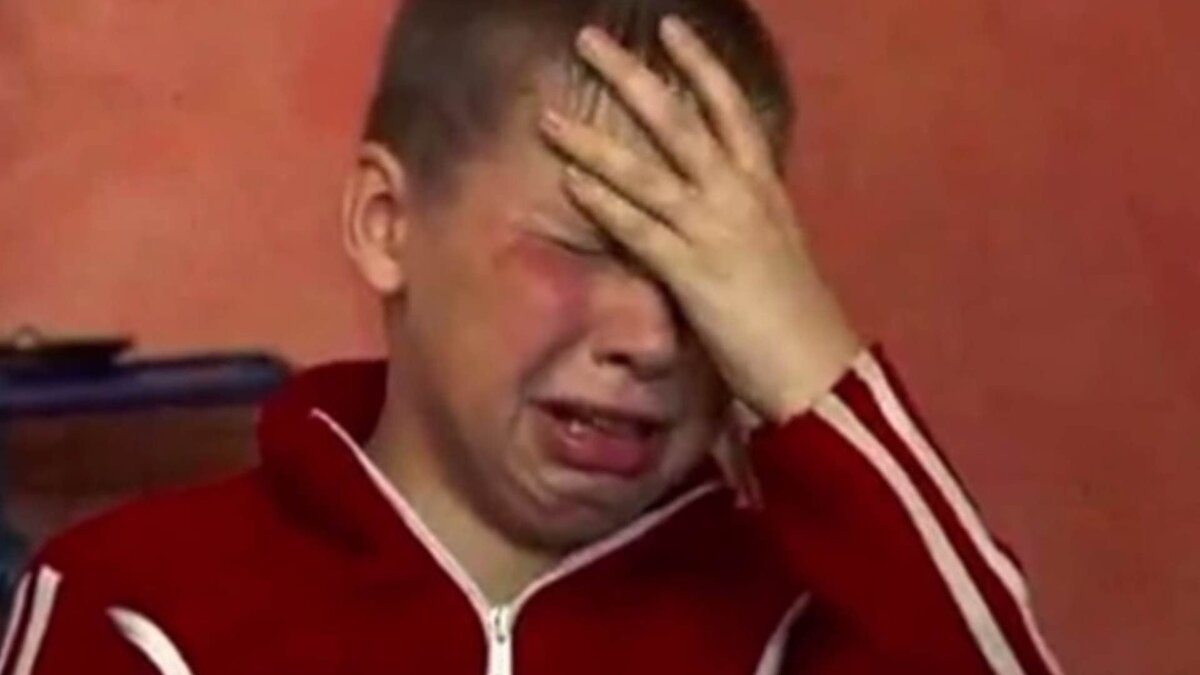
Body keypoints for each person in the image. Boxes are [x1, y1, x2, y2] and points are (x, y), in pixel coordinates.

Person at [0, 0, 1063, 673]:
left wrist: (812, 373)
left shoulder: (795, 624)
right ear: (388, 224)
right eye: (583, 248)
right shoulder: (140, 609)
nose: (652, 338)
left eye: (711, 276)